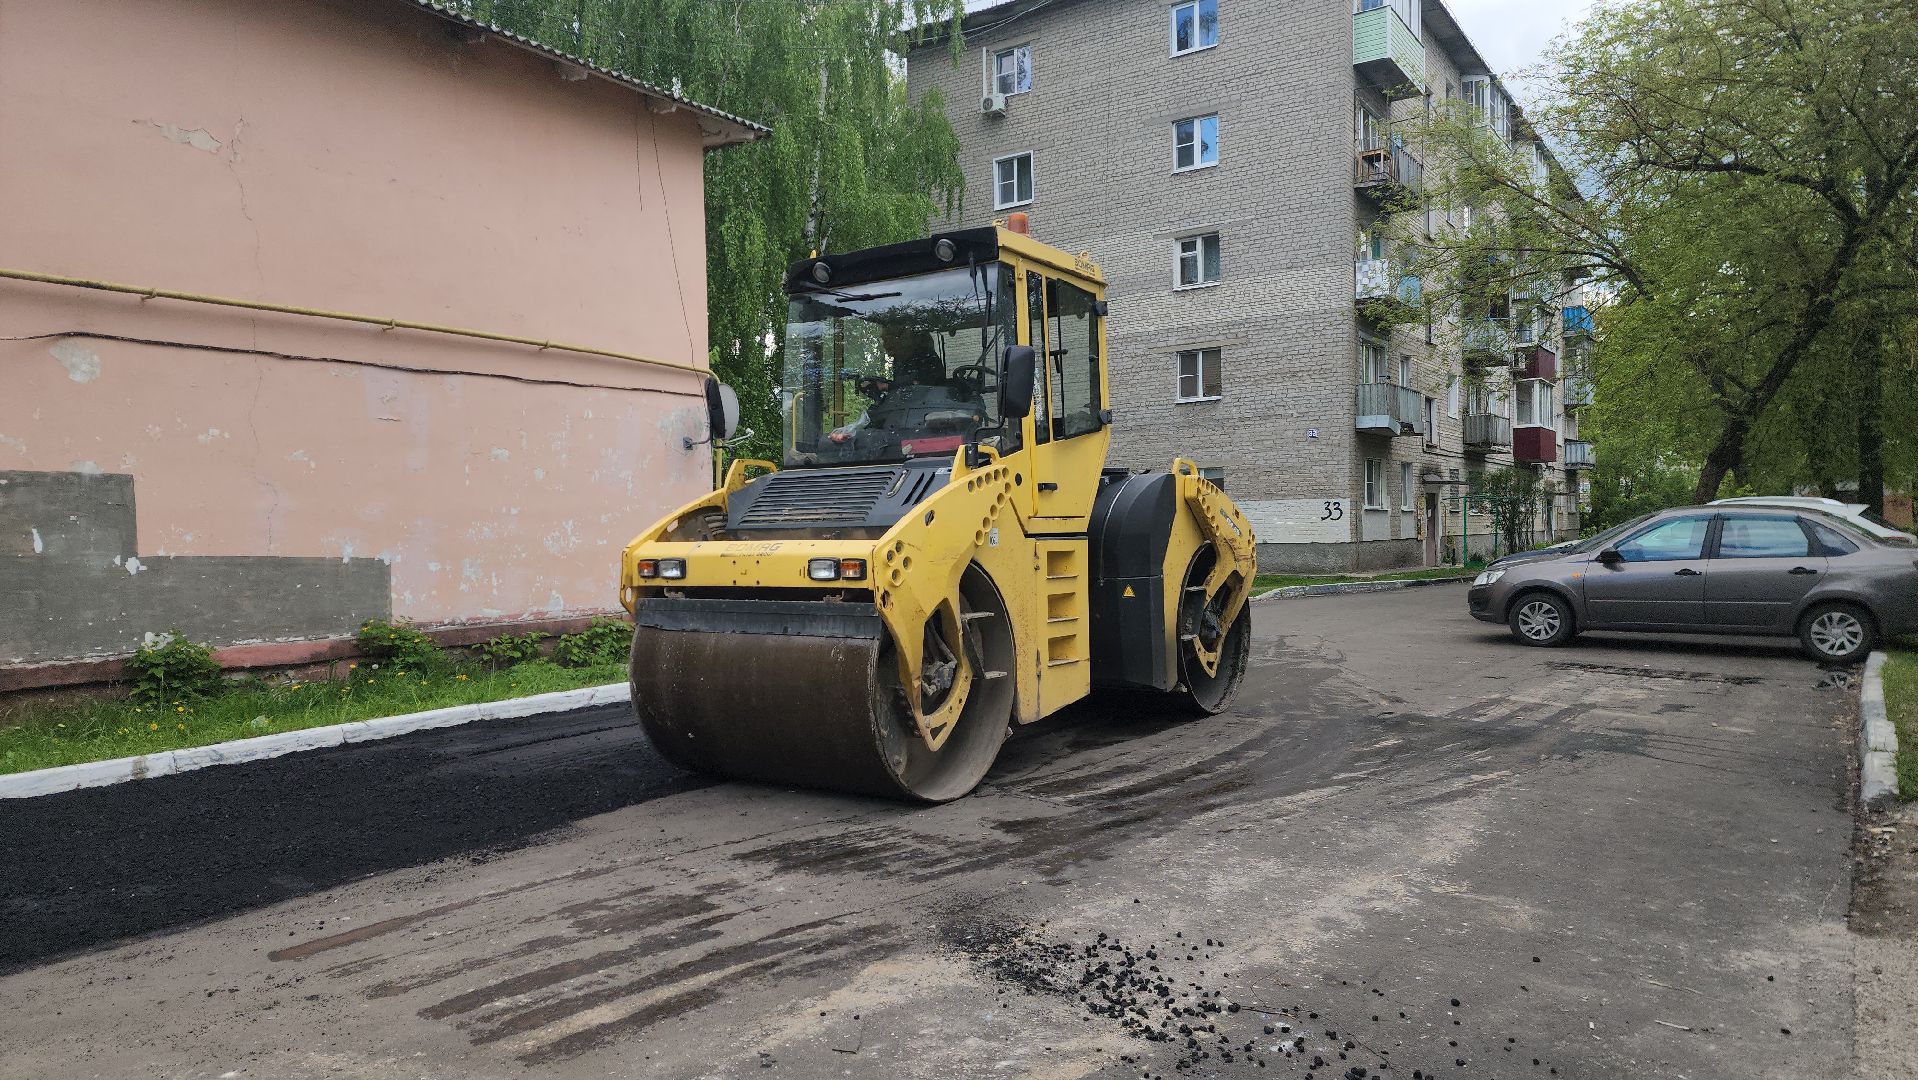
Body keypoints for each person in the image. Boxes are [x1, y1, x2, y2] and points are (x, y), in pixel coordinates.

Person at [829, 325, 979, 446]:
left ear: (905, 337)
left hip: (924, 426)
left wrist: (888, 386)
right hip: (902, 425)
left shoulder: (927, 359)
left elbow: (917, 389)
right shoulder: (901, 361)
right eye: (883, 339)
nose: (885, 344)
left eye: (888, 339)